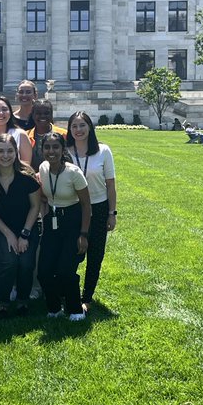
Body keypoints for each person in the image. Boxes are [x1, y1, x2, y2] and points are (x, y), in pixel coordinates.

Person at [0, 134, 41, 318]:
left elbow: (35, 207)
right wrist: (8, 234)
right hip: (2, 228)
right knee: (9, 261)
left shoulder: (27, 176)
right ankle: (2, 304)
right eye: (0, 151)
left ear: (16, 153)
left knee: (26, 263)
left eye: (9, 151)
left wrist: (24, 234)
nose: (5, 155)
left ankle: (22, 301)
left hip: (28, 226)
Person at [66, 111, 117, 312]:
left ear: (90, 127)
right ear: (70, 130)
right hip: (74, 207)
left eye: (82, 125)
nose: (78, 130)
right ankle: (69, 292)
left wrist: (112, 213)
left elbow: (111, 185)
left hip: (99, 206)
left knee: (95, 254)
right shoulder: (66, 152)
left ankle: (87, 297)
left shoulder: (103, 151)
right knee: (72, 253)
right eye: (74, 126)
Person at [38, 132, 91, 322]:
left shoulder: (73, 173)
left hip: (72, 222)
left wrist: (83, 234)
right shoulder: (43, 168)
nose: (51, 151)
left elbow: (86, 204)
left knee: (65, 271)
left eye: (55, 147)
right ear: (42, 149)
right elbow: (46, 194)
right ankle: (54, 308)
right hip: (52, 222)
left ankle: (76, 309)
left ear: (62, 150)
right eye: (47, 147)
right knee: (44, 270)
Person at [0, 95, 32, 165]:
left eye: (4, 109)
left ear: (10, 113)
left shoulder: (20, 135)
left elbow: (26, 165)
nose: (1, 113)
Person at [27, 99, 67, 170]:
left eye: (46, 113)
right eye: (38, 113)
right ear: (33, 115)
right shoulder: (25, 136)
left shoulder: (64, 134)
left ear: (51, 115)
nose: (42, 116)